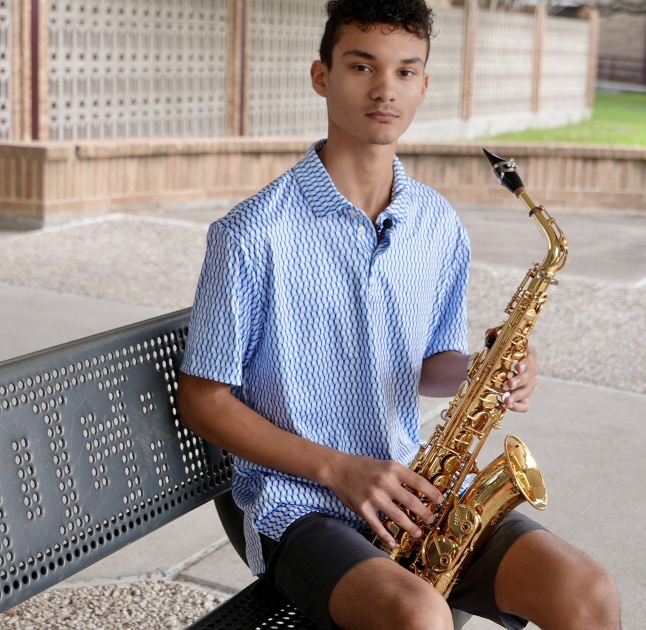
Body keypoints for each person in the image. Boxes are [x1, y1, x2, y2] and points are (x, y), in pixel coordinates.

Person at [177, 1, 621, 628]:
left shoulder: (438, 224)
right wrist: (339, 468)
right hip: (299, 503)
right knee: (419, 617)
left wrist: (487, 369)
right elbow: (202, 400)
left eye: (406, 71)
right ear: (321, 76)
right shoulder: (251, 234)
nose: (385, 89)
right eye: (362, 66)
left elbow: (431, 366)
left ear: (424, 85)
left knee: (588, 593)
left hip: (413, 488)